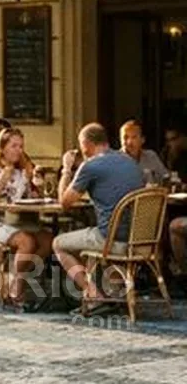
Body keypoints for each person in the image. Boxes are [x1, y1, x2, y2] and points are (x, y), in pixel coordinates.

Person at [53, 123, 145, 312]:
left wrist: (67, 169)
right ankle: (113, 293)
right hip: (139, 239)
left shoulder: (91, 166)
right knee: (87, 239)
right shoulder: (130, 161)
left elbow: (64, 202)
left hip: (111, 239)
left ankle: (95, 295)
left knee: (59, 244)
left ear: (86, 143)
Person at [0, 128, 53, 308]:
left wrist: (37, 187)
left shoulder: (20, 170)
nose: (19, 150)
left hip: (17, 221)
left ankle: (17, 278)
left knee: (49, 240)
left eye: (21, 146)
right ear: (2, 148)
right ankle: (17, 290)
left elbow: (25, 200)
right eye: (14, 146)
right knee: (27, 242)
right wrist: (1, 181)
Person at [119, 120, 168, 184]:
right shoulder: (115, 161)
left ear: (143, 140)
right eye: (125, 137)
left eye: (134, 137)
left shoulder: (151, 156)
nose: (129, 142)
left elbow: (165, 177)